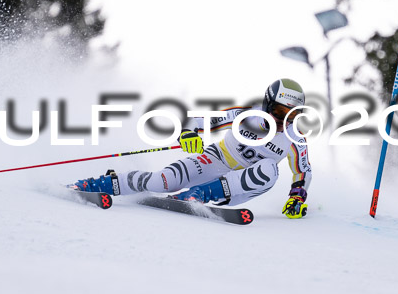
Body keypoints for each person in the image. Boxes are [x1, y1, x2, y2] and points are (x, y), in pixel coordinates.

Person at [71, 78, 312, 218]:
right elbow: (199, 120)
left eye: (292, 114)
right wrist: (189, 133)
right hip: (216, 160)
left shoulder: (294, 137)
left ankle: (198, 195)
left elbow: (303, 171)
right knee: (161, 181)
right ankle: (96, 185)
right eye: (280, 111)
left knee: (269, 169)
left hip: (238, 189)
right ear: (268, 104)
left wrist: (297, 198)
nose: (285, 119)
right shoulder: (244, 115)